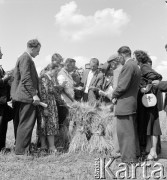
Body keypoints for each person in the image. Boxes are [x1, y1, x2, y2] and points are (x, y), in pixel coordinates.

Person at [11, 39, 41, 155]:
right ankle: (22, 151)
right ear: (32, 48)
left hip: (22, 95)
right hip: (26, 96)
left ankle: (21, 149)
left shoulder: (25, 58)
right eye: (38, 51)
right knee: (26, 124)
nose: (38, 53)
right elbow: (26, 78)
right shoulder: (26, 58)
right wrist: (34, 94)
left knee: (22, 124)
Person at [111, 46, 141, 163]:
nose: (119, 60)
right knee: (131, 132)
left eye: (119, 57)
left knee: (125, 133)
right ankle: (134, 155)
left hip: (125, 103)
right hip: (131, 102)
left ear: (123, 55)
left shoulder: (128, 66)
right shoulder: (135, 66)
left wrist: (113, 95)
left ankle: (129, 159)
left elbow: (122, 86)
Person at [134, 50, 162, 160]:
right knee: (148, 125)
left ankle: (153, 151)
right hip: (146, 101)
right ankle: (150, 150)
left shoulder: (144, 67)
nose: (133, 59)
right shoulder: (143, 67)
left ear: (138, 59)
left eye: (134, 57)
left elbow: (157, 77)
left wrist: (147, 87)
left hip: (148, 101)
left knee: (151, 125)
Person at [38, 63, 60, 154]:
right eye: (56, 70)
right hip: (47, 105)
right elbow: (44, 93)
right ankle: (51, 147)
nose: (56, 73)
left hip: (49, 104)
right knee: (49, 125)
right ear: (51, 69)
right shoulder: (44, 78)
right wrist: (45, 107)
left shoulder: (48, 78)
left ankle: (44, 146)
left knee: (45, 125)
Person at [0, 47, 13, 152]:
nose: (2, 54)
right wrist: (5, 78)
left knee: (3, 125)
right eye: (0, 52)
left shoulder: (1, 67)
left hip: (3, 102)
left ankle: (2, 147)